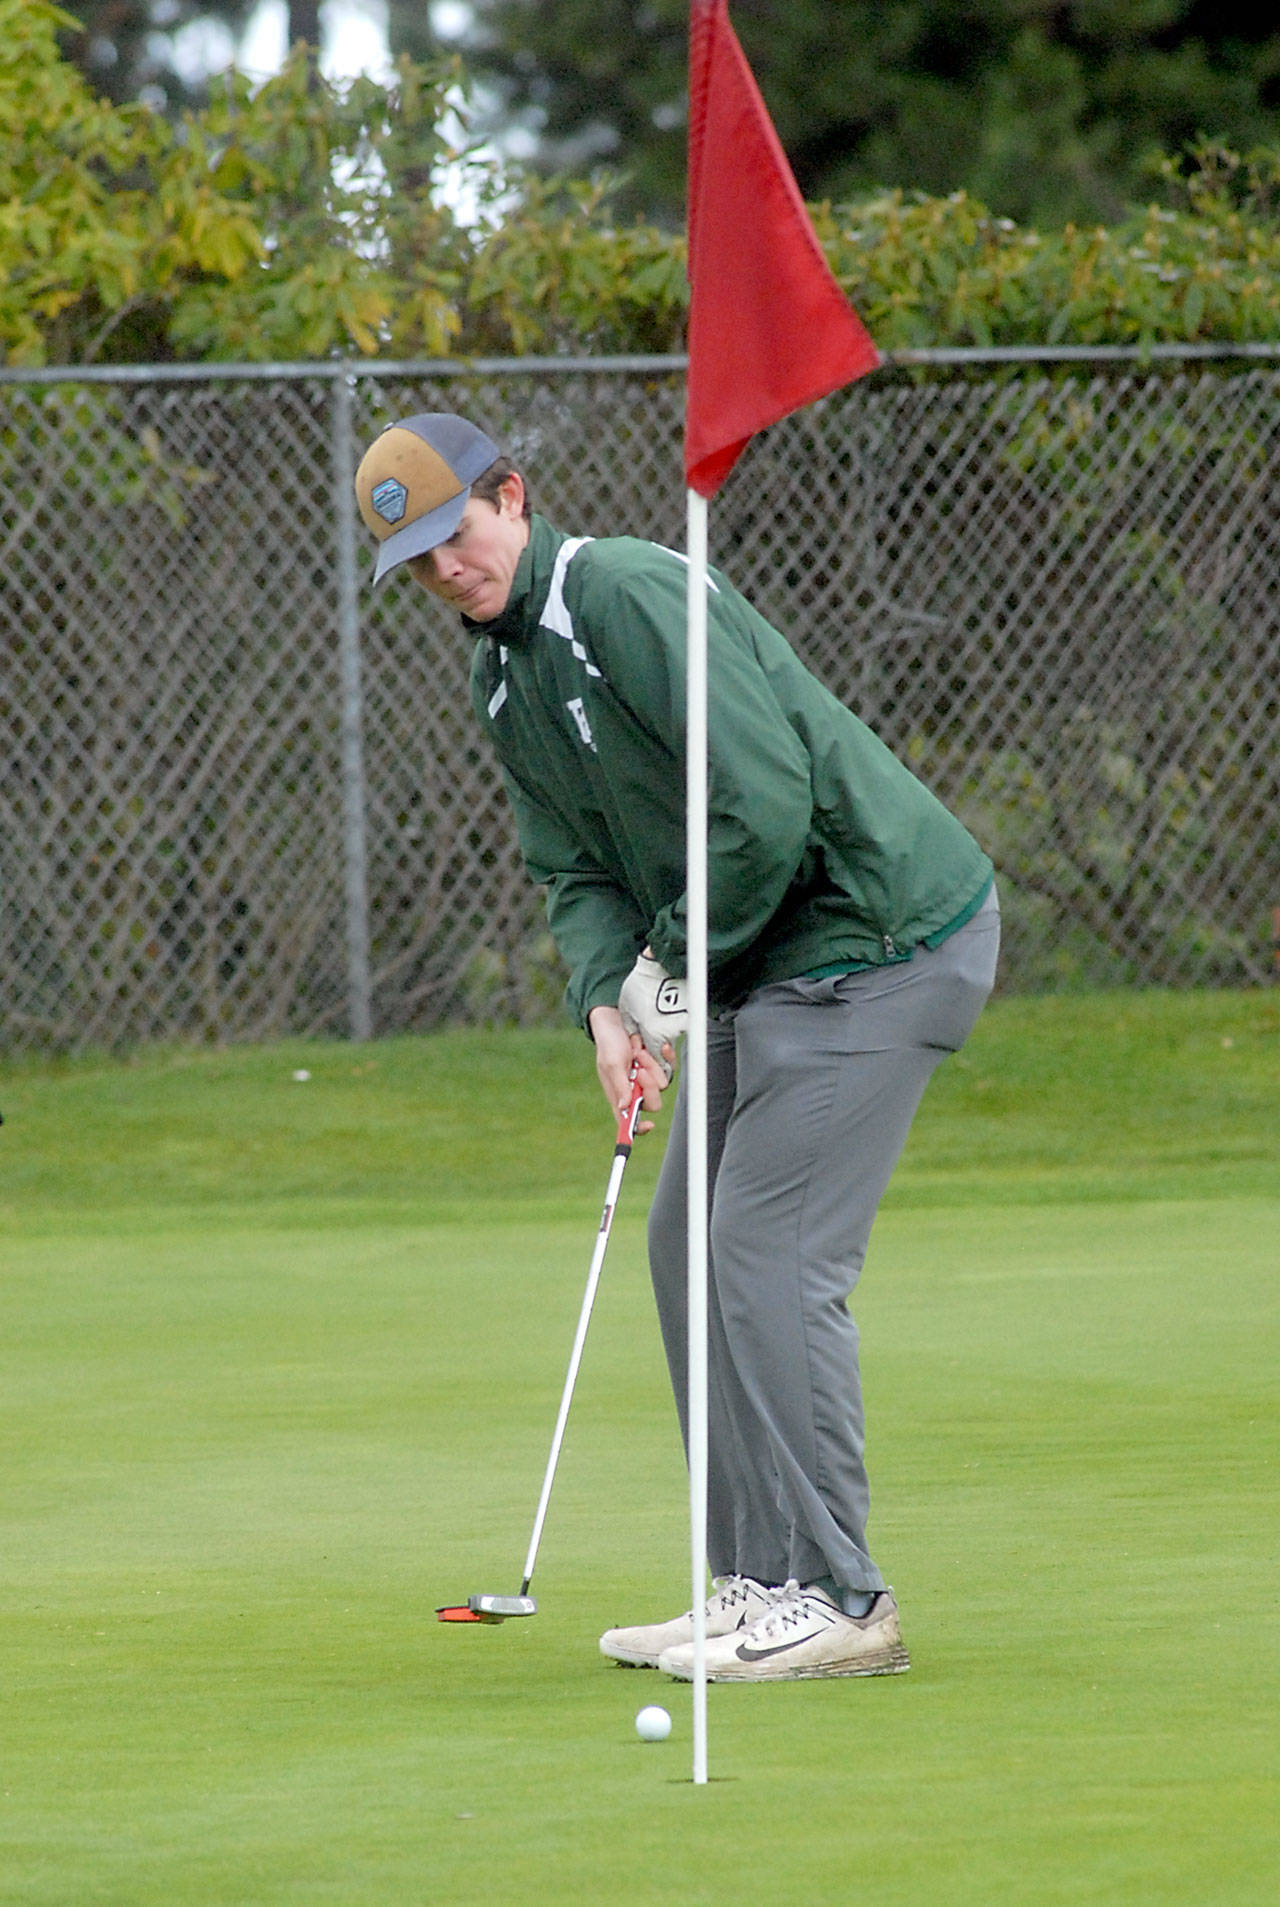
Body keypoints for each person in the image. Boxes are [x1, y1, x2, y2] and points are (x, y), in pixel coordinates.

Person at [355, 412, 1000, 1682]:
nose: (445, 572)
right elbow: (571, 861)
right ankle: (758, 1580)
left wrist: (671, 966)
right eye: (416, 560)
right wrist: (610, 1002)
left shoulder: (620, 592)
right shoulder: (499, 672)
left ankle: (842, 1597)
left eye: (455, 536)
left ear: (512, 498)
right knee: (679, 1245)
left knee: (762, 1245)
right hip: (760, 963)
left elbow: (760, 803)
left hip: (875, 937)